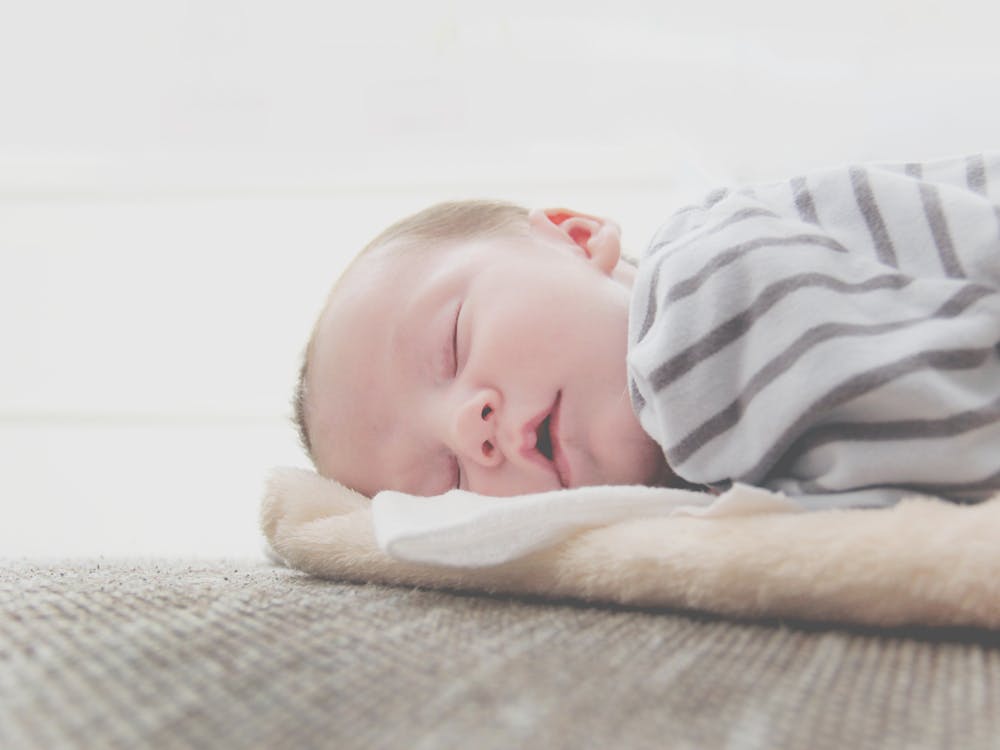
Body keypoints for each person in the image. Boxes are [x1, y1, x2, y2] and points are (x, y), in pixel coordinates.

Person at [294, 154, 1000, 509]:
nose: (465, 427)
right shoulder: (694, 469)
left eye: (451, 342)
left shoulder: (693, 306)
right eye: (445, 484)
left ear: (574, 236)